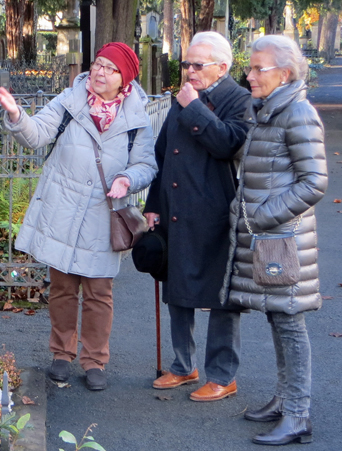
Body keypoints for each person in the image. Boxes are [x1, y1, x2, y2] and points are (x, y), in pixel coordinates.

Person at [0, 42, 157, 391]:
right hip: (63, 209)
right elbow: (36, 135)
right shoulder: (69, 101)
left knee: (99, 293)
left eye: (110, 69)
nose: (100, 72)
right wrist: (16, 116)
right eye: (98, 64)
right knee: (63, 289)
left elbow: (146, 165)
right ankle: (62, 355)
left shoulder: (137, 117)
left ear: (124, 78)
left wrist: (128, 179)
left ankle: (95, 360)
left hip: (103, 214)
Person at [222, 35, 326, 446]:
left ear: (283, 73)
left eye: (256, 68)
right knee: (276, 316)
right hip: (268, 238)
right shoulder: (269, 111)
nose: (248, 76)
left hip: (280, 238)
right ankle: (284, 400)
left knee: (289, 323)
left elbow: (315, 181)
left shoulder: (297, 113)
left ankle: (298, 414)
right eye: (249, 67)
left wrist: (260, 216)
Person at [143, 31, 252, 401]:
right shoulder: (184, 97)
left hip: (218, 213)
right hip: (176, 210)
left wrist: (194, 108)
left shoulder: (239, 99)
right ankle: (182, 365)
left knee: (222, 298)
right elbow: (164, 155)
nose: (188, 70)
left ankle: (223, 374)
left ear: (222, 66)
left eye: (197, 65)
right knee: (178, 290)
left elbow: (228, 143)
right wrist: (153, 204)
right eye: (185, 63)